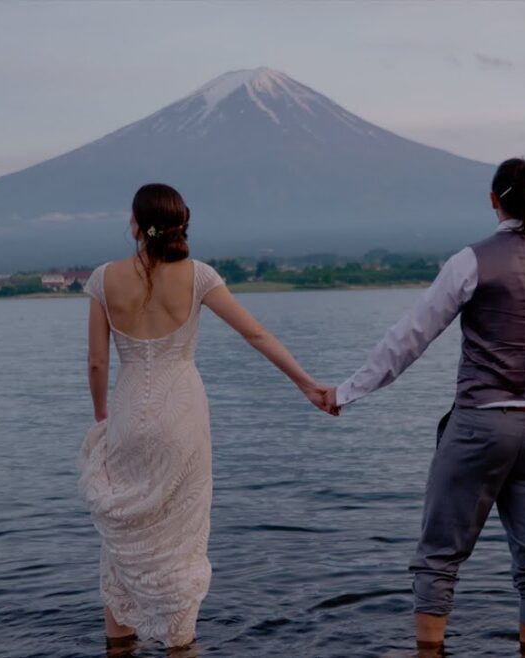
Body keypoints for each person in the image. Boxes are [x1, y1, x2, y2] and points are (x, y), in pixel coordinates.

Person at [324, 158, 525, 655]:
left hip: (479, 427)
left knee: (439, 556)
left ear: (492, 201)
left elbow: (410, 337)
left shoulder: (471, 260)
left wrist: (347, 391)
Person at [78, 183, 334, 653]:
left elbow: (97, 362)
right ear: (181, 223)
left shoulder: (103, 279)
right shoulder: (198, 277)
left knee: (123, 528)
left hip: (128, 412)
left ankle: (119, 641)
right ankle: (180, 641)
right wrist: (306, 383)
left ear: (136, 224)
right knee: (181, 531)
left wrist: (101, 415)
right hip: (183, 416)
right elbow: (255, 335)